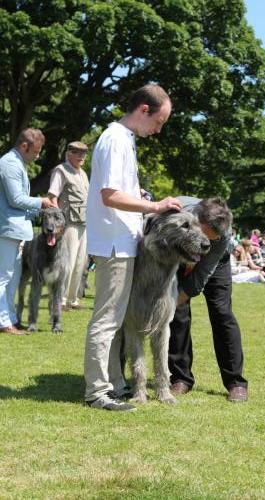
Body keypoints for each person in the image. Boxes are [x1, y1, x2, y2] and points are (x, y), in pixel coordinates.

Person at [84, 83, 182, 412]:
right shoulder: (114, 139)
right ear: (143, 109)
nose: (158, 130)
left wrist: (140, 200)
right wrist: (155, 208)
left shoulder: (124, 140)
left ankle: (115, 384)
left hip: (123, 242)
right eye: (159, 121)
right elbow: (109, 195)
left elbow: (120, 191)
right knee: (107, 319)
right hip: (113, 244)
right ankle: (97, 392)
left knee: (114, 321)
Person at [168, 197, 248, 403]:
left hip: (215, 262)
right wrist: (172, 302)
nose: (206, 242)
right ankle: (180, 378)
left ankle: (235, 383)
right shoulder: (175, 212)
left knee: (222, 313)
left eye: (212, 238)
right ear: (196, 221)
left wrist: (176, 299)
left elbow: (200, 276)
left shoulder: (222, 235)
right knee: (178, 313)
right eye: (205, 235)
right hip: (179, 253)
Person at [0, 128, 54, 335]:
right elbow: (15, 199)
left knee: (12, 277)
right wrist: (41, 202)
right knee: (3, 276)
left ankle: (11, 319)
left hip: (15, 230)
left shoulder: (17, 163)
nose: (38, 155)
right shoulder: (9, 163)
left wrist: (39, 208)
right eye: (36, 151)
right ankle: (4, 322)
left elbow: (18, 203)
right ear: (24, 146)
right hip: (7, 230)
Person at [48, 141, 89, 310]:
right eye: (77, 152)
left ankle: (72, 299)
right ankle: (60, 300)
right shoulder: (61, 170)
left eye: (84, 153)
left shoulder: (83, 173)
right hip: (68, 224)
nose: (81, 156)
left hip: (83, 224)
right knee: (67, 263)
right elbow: (52, 198)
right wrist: (58, 223)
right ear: (68, 153)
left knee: (80, 263)